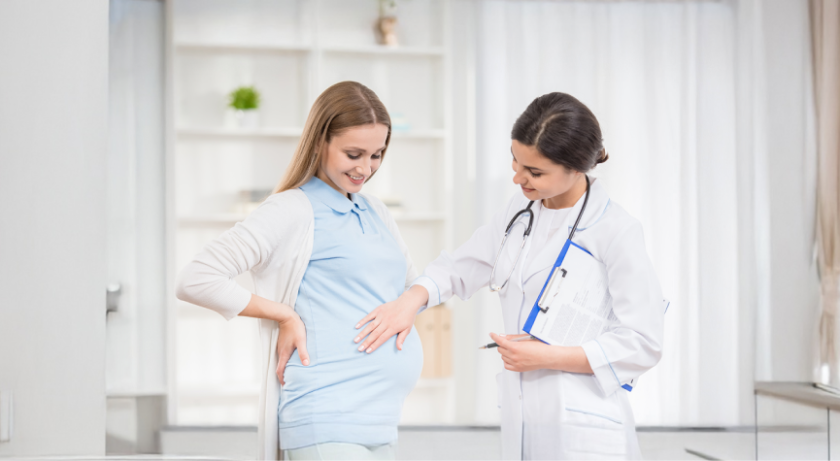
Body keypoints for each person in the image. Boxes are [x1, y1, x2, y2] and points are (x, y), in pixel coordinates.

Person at [354, 92, 664, 460]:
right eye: (515, 161)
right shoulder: (520, 211)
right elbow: (461, 266)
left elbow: (643, 342)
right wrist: (411, 300)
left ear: (577, 167)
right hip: (525, 417)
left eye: (535, 172)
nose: (518, 177)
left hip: (587, 424)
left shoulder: (616, 230)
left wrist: (547, 357)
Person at [176, 81, 423, 461]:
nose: (366, 168)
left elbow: (413, 287)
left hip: (382, 420)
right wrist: (283, 314)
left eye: (377, 155)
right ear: (320, 141)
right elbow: (197, 278)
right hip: (326, 417)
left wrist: (409, 304)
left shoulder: (376, 211)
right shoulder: (291, 209)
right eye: (353, 154)